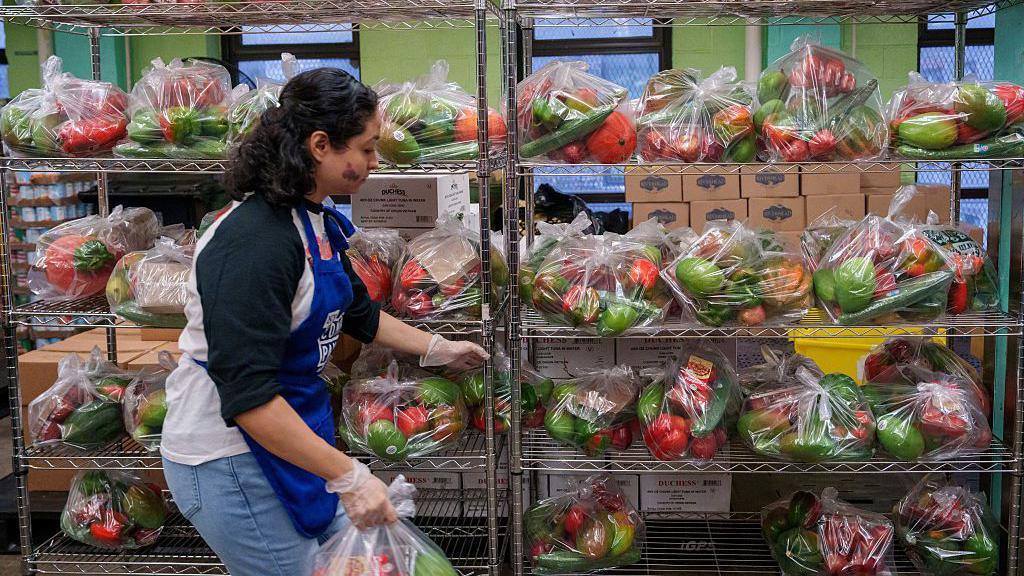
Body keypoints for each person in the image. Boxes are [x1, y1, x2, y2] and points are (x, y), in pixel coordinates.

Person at [160, 68, 488, 576]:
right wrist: (350, 477)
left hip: (291, 436)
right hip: (231, 456)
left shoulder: (313, 219)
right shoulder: (254, 244)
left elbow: (356, 312)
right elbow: (246, 395)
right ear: (320, 146)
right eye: (367, 147)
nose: (376, 161)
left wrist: (438, 348)